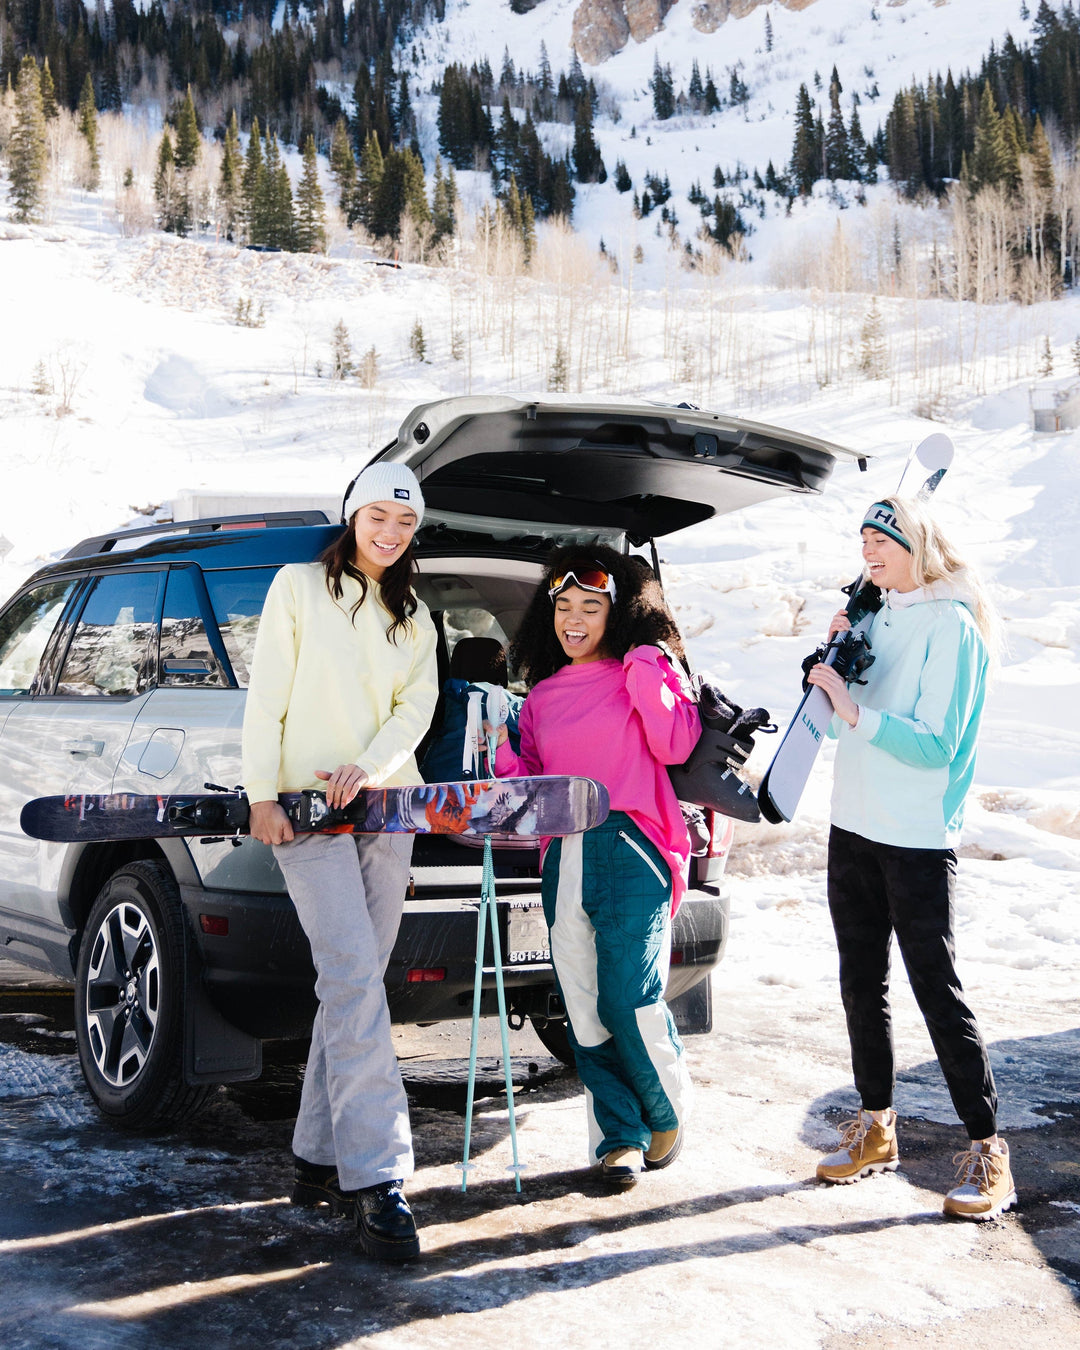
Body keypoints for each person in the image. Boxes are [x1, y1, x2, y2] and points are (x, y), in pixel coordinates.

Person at [241, 462, 438, 1259]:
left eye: (405, 524)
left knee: (353, 987)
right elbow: (269, 695)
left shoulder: (414, 614)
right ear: (354, 515)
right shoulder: (297, 587)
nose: (390, 534)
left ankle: (317, 1157)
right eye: (379, 517)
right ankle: (379, 1174)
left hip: (389, 812)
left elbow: (414, 710)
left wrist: (372, 766)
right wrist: (262, 792)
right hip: (305, 812)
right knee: (353, 979)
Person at [806, 494, 1015, 1221]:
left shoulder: (953, 626)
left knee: (935, 989)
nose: (867, 552)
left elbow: (937, 745)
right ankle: (876, 1127)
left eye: (879, 540)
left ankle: (989, 1151)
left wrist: (855, 709)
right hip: (853, 823)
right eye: (862, 539)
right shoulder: (874, 615)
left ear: (915, 545)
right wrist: (832, 666)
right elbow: (836, 734)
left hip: (917, 835)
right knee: (862, 982)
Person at [490, 546, 700, 1188]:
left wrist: (646, 662)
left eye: (592, 606)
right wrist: (502, 756)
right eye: (563, 607)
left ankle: (665, 1111)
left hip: (632, 846)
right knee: (582, 1004)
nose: (574, 620)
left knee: (628, 997)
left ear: (621, 612)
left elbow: (675, 742)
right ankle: (619, 1137)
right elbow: (530, 786)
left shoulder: (645, 669)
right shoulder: (543, 697)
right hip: (566, 855)